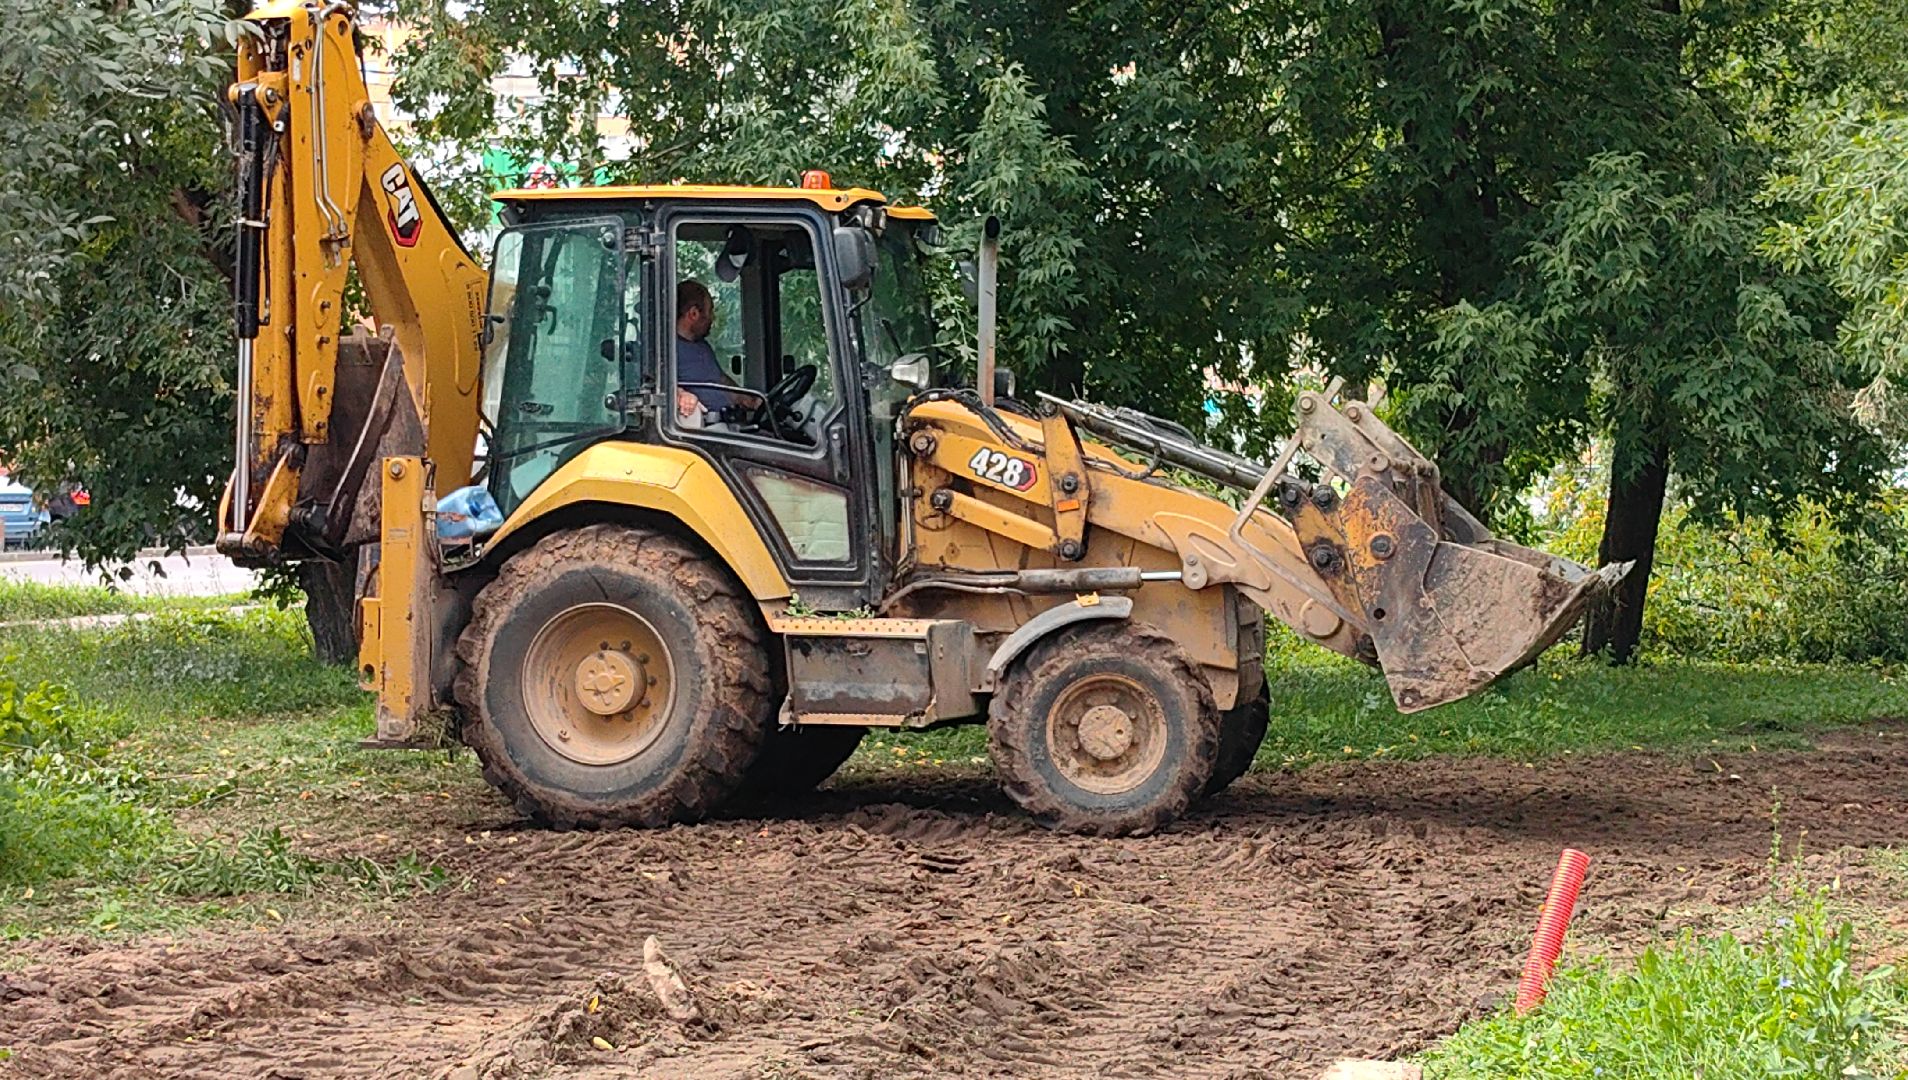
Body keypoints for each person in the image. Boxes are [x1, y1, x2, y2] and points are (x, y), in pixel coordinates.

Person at [675, 280, 740, 419]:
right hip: (703, 428)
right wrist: (680, 394)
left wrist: (748, 398)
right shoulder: (666, 349)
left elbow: (720, 380)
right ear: (693, 313)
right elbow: (656, 386)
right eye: (710, 311)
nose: (712, 318)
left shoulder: (703, 346)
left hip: (728, 420)